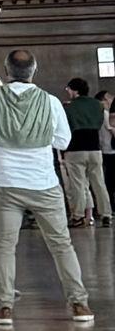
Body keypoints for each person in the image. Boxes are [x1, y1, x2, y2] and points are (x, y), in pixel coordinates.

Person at [0, 50, 93, 326]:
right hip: (43, 183)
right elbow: (62, 141)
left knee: (4, 245)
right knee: (61, 245)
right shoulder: (50, 102)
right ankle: (79, 304)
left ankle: (3, 308)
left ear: (7, 71)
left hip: (5, 184)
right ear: (34, 71)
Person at [60, 79, 113, 227]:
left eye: (68, 89)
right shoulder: (97, 105)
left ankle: (78, 216)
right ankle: (106, 214)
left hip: (75, 148)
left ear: (74, 90)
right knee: (99, 183)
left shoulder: (69, 108)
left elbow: (66, 127)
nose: (68, 92)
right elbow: (99, 122)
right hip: (95, 148)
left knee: (78, 184)